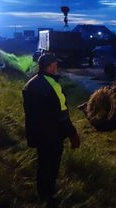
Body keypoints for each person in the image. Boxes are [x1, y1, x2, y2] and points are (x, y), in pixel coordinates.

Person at [22, 54, 80, 207]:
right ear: (50, 66)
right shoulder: (53, 86)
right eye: (55, 64)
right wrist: (73, 134)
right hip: (52, 136)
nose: (57, 67)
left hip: (36, 133)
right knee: (52, 166)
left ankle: (42, 194)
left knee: (42, 164)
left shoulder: (30, 84)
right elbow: (62, 115)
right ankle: (49, 197)